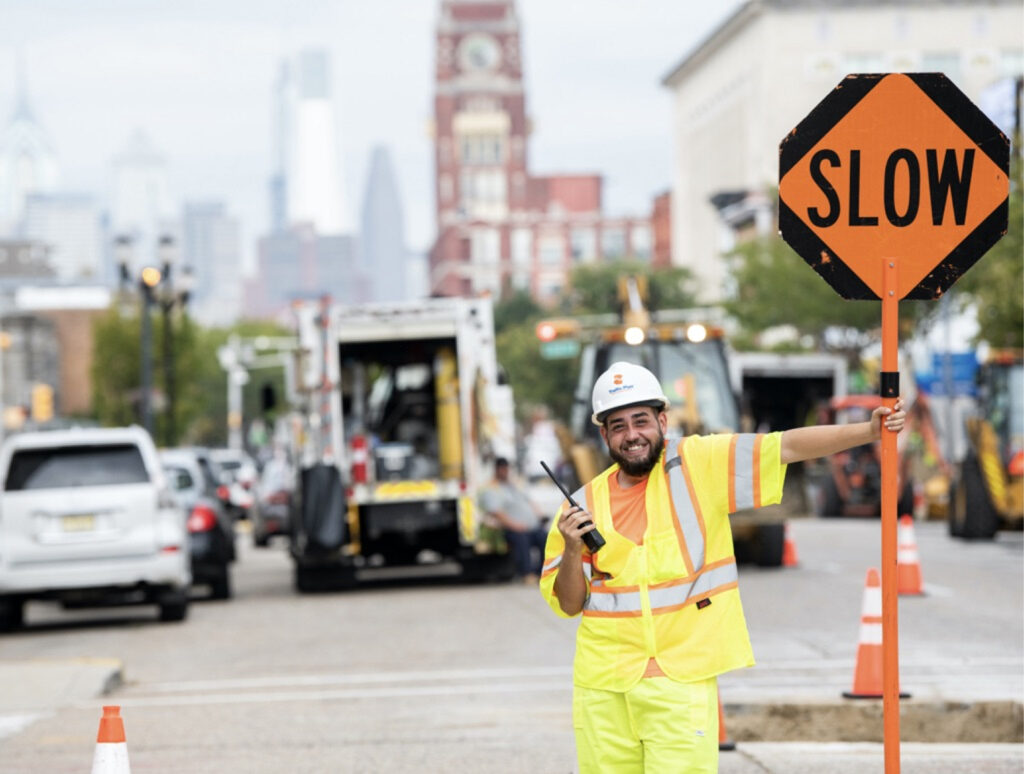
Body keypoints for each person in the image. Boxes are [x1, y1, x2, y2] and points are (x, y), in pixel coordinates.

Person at [539, 361, 906, 773]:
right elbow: (569, 605)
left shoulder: (699, 464)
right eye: (618, 426)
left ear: (662, 419)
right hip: (603, 688)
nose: (632, 435)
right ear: (604, 435)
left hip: (680, 681)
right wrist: (573, 549)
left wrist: (868, 431)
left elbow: (785, 446)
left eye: (640, 421)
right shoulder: (581, 505)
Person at [480, 457, 548, 584]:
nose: (505, 472)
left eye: (506, 469)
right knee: (521, 539)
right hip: (510, 529)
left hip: (529, 527)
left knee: (544, 537)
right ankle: (527, 573)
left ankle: (543, 571)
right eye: (502, 469)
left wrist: (540, 516)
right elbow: (496, 512)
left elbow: (530, 502)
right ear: (497, 470)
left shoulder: (514, 486)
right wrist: (515, 525)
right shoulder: (492, 489)